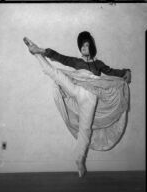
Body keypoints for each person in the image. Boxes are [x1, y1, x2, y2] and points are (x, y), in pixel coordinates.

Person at [23, 32, 131, 178]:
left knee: (85, 130)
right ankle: (35, 51)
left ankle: (79, 159)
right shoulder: (76, 62)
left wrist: (126, 71)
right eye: (82, 45)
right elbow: (60, 57)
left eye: (86, 45)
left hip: (90, 99)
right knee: (53, 72)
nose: (83, 48)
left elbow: (113, 72)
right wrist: (42, 51)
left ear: (91, 47)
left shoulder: (98, 64)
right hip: (76, 90)